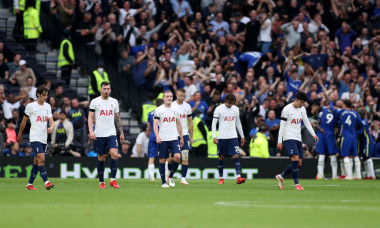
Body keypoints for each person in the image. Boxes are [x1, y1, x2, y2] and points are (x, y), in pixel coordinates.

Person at [276, 92, 318, 191]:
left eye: (304, 102)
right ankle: (297, 185)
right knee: (294, 159)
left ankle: (281, 176)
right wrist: (279, 141)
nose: (302, 104)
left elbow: (306, 122)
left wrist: (313, 134)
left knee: (299, 163)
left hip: (298, 137)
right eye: (301, 102)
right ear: (296, 99)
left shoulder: (302, 109)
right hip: (288, 136)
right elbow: (282, 126)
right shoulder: (286, 109)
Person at [17, 85, 55, 190]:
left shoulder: (48, 106)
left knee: (37, 161)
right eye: (44, 95)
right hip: (34, 137)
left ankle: (29, 184)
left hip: (44, 137)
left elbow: (51, 121)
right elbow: (23, 123)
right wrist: (19, 135)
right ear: (38, 94)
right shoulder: (30, 106)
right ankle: (47, 182)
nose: (45, 97)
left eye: (47, 95)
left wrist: (51, 127)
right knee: (42, 158)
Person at [88, 81, 124, 189]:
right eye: (104, 89)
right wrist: (91, 131)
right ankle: (101, 182)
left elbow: (117, 117)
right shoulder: (95, 101)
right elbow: (90, 117)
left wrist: (121, 132)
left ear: (110, 90)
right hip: (99, 134)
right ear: (100, 90)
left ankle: (113, 180)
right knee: (101, 157)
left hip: (111, 133)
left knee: (114, 153)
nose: (106, 91)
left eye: (108, 89)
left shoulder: (114, 102)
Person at [212, 93, 246, 185]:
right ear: (225, 101)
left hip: (233, 136)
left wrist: (242, 136)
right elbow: (214, 123)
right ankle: (221, 178)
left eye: (232, 103)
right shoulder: (219, 109)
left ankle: (238, 177)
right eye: (229, 103)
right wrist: (214, 136)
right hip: (222, 136)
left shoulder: (235, 109)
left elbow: (238, 123)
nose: (230, 105)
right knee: (221, 156)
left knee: (235, 155)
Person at [153, 90, 184, 188]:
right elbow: (155, 124)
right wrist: (157, 136)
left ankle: (170, 177)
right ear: (163, 98)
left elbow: (178, 124)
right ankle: (163, 182)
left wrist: (181, 137)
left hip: (174, 138)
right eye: (167, 96)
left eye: (170, 96)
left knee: (178, 157)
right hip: (163, 138)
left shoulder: (176, 109)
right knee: (163, 160)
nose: (169, 98)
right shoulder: (159, 109)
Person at [171, 88, 193, 185]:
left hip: (184, 134)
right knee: (174, 157)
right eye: (180, 96)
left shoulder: (187, 106)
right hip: (174, 134)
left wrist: (191, 137)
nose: (182, 98)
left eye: (184, 96)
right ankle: (169, 174)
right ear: (176, 94)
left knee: (185, 156)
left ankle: (183, 178)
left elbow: (190, 122)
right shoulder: (171, 106)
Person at [336, 100, 363, 180]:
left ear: (344, 105)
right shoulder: (355, 113)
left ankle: (349, 175)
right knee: (355, 155)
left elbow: (334, 113)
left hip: (345, 136)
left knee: (345, 155)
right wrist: (356, 132)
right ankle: (358, 175)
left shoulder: (341, 112)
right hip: (353, 136)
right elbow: (361, 125)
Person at [315, 101, 338, 180]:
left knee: (321, 154)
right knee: (333, 155)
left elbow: (317, 124)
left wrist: (321, 129)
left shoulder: (322, 112)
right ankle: (334, 175)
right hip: (330, 134)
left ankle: (320, 175)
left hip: (322, 134)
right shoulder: (335, 112)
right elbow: (337, 125)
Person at [146, 98, 164, 181]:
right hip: (161, 137)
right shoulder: (164, 112)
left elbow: (148, 127)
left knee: (151, 156)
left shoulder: (150, 113)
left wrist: (149, 135)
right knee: (163, 157)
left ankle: (152, 177)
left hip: (152, 137)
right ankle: (164, 176)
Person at [357, 109, 376, 180]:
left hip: (367, 141)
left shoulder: (363, 121)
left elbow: (361, 132)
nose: (359, 115)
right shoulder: (361, 121)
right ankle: (368, 175)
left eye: (360, 114)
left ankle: (372, 175)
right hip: (363, 141)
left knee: (368, 157)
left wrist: (353, 133)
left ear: (363, 115)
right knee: (365, 158)